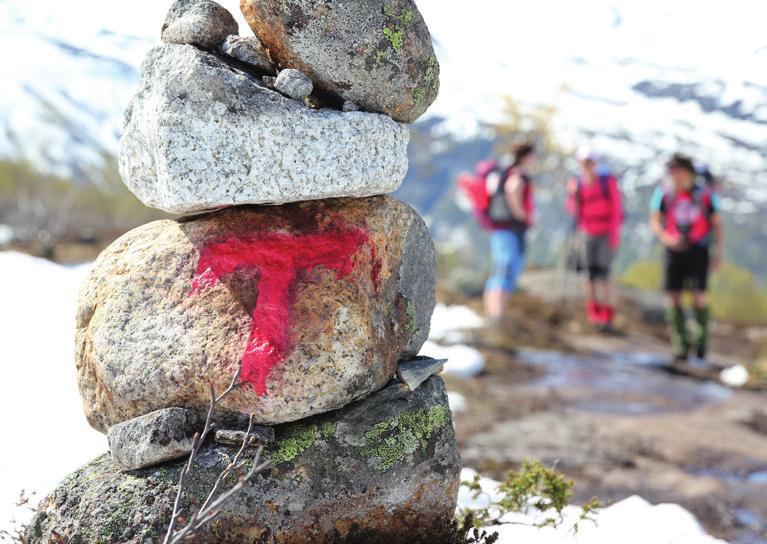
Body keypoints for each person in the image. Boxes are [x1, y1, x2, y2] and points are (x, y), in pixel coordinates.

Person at [650, 153, 724, 364]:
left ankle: (701, 343)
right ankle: (680, 345)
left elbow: (717, 224)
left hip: (698, 250)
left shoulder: (705, 194)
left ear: (687, 171)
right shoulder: (664, 192)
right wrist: (666, 238)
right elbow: (655, 220)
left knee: (699, 297)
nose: (672, 175)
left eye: (675, 170)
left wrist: (718, 253)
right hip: (673, 250)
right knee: (673, 297)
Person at [566, 148, 623, 329]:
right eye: (584, 163)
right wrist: (572, 194)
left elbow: (616, 210)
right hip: (586, 233)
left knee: (604, 275)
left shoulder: (607, 182)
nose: (587, 166)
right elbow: (573, 211)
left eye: (590, 162)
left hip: (605, 233)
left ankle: (607, 316)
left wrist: (614, 236)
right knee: (589, 276)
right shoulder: (578, 184)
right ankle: (594, 314)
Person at [483, 143, 536, 323]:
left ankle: (493, 313)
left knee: (499, 271)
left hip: (499, 228)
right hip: (511, 229)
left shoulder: (506, 171)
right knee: (506, 271)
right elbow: (513, 189)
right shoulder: (519, 174)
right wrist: (521, 215)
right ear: (527, 156)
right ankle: (498, 316)